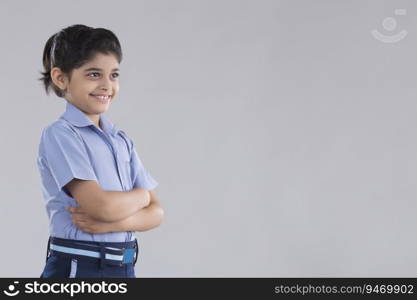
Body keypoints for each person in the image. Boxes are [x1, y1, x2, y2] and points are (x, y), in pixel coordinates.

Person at [37, 24, 164, 278]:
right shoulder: (62, 135)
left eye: (114, 75)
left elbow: (156, 213)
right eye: (94, 74)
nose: (107, 85)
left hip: (124, 267)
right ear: (60, 78)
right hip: (79, 268)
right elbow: (101, 207)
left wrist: (120, 221)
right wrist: (142, 197)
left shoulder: (121, 140)